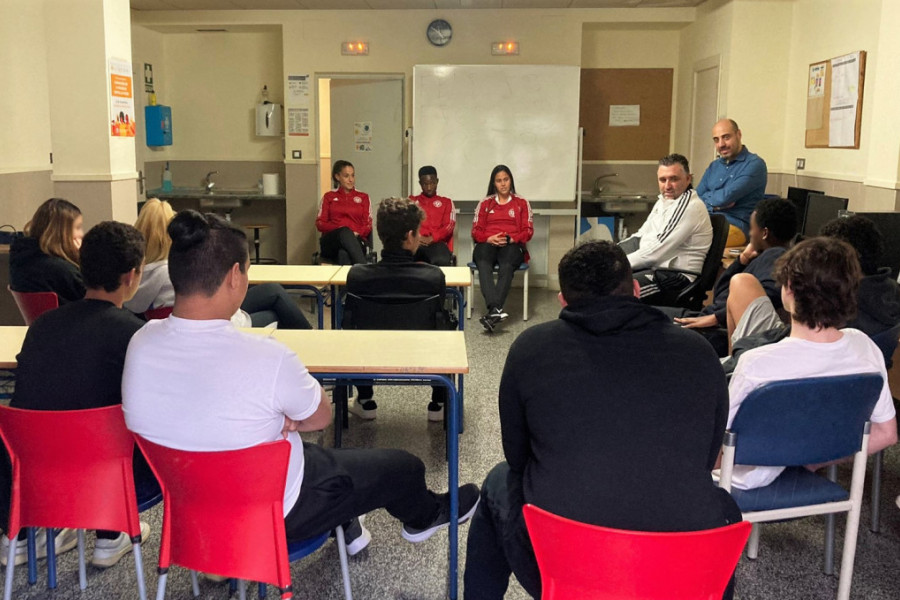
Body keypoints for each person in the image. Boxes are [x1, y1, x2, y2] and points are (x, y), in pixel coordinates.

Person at [122, 210, 479, 560]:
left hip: (190, 511)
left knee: (328, 458)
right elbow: (319, 418)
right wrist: (287, 420)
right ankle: (425, 515)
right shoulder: (265, 354)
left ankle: (349, 525)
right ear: (234, 276)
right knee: (404, 466)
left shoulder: (140, 344)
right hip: (281, 508)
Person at [464, 241, 741, 599]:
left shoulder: (531, 349)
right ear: (637, 290)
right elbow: (705, 459)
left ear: (563, 301)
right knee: (722, 509)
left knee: (498, 480)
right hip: (681, 572)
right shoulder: (699, 352)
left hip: (567, 567)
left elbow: (518, 458)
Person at [1, 221, 158, 569]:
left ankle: (33, 532)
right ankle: (110, 532)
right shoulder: (135, 335)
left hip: (30, 477)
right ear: (132, 276)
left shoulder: (42, 325)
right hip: (101, 480)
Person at [725, 237, 897, 490]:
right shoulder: (865, 347)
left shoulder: (757, 363)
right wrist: (812, 462)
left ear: (790, 287)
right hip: (802, 465)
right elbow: (887, 435)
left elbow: (720, 443)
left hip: (744, 478)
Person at [722, 214, 900, 373]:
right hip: (829, 378)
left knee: (743, 283)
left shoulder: (838, 299)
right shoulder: (888, 291)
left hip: (785, 367)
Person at [125, 199, 312, 330]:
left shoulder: (135, 278)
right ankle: (313, 345)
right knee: (274, 311)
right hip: (215, 321)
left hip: (189, 324)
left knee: (273, 291)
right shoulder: (174, 269)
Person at [344, 197, 451, 422]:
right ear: (411, 236)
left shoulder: (357, 275)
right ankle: (438, 403)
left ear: (382, 234)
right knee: (447, 327)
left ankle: (365, 400)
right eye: (419, 232)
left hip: (369, 354)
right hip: (421, 353)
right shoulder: (433, 277)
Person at [668, 197, 798, 356]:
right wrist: (743, 259)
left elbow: (770, 293)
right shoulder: (764, 256)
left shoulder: (775, 256)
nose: (750, 233)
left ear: (764, 233)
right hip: (707, 319)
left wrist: (717, 317)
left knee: (646, 325)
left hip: (714, 330)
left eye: (752, 228)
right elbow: (721, 291)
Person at [618, 154, 712, 305]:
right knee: (605, 282)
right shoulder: (664, 201)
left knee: (616, 293)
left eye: (674, 179)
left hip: (676, 277)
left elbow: (655, 252)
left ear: (688, 179)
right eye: (663, 180)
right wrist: (608, 253)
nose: (667, 186)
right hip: (656, 268)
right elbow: (640, 236)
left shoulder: (689, 206)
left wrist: (614, 264)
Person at [471, 165, 533, 331]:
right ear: (494, 183)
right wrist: (488, 238)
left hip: (512, 245)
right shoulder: (485, 203)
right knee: (483, 262)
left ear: (511, 180)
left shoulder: (521, 203)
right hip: (488, 243)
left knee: (506, 265)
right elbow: (476, 231)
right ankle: (495, 309)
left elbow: (528, 231)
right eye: (499, 181)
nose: (503, 184)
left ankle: (493, 309)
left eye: (506, 179)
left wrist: (513, 239)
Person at [695, 119, 768, 247]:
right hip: (706, 220)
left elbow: (725, 197)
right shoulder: (714, 166)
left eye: (726, 137)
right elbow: (696, 198)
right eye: (716, 140)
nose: (721, 144)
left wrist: (711, 199)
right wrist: (715, 206)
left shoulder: (755, 164)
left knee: (693, 241)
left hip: (735, 226)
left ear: (738, 134)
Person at [9, 197, 85, 303]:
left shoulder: (19, 260)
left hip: (40, 319)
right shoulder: (63, 271)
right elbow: (94, 302)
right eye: (78, 227)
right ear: (61, 233)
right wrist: (82, 257)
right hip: (70, 319)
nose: (82, 234)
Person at [316, 160, 372, 265]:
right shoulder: (329, 197)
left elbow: (367, 224)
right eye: (346, 176)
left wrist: (356, 233)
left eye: (353, 175)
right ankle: (365, 270)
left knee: (343, 254)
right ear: (337, 177)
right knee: (344, 231)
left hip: (356, 240)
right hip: (331, 242)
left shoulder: (363, 197)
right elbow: (320, 224)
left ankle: (342, 281)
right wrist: (341, 229)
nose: (351, 180)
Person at [409, 165, 456, 266]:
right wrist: (417, 237)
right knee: (402, 259)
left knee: (441, 260)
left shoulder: (446, 202)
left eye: (432, 183)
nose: (429, 187)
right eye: (425, 184)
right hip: (416, 242)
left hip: (437, 243)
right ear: (420, 184)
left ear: (437, 181)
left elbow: (449, 226)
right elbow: (405, 223)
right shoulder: (411, 201)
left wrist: (433, 238)